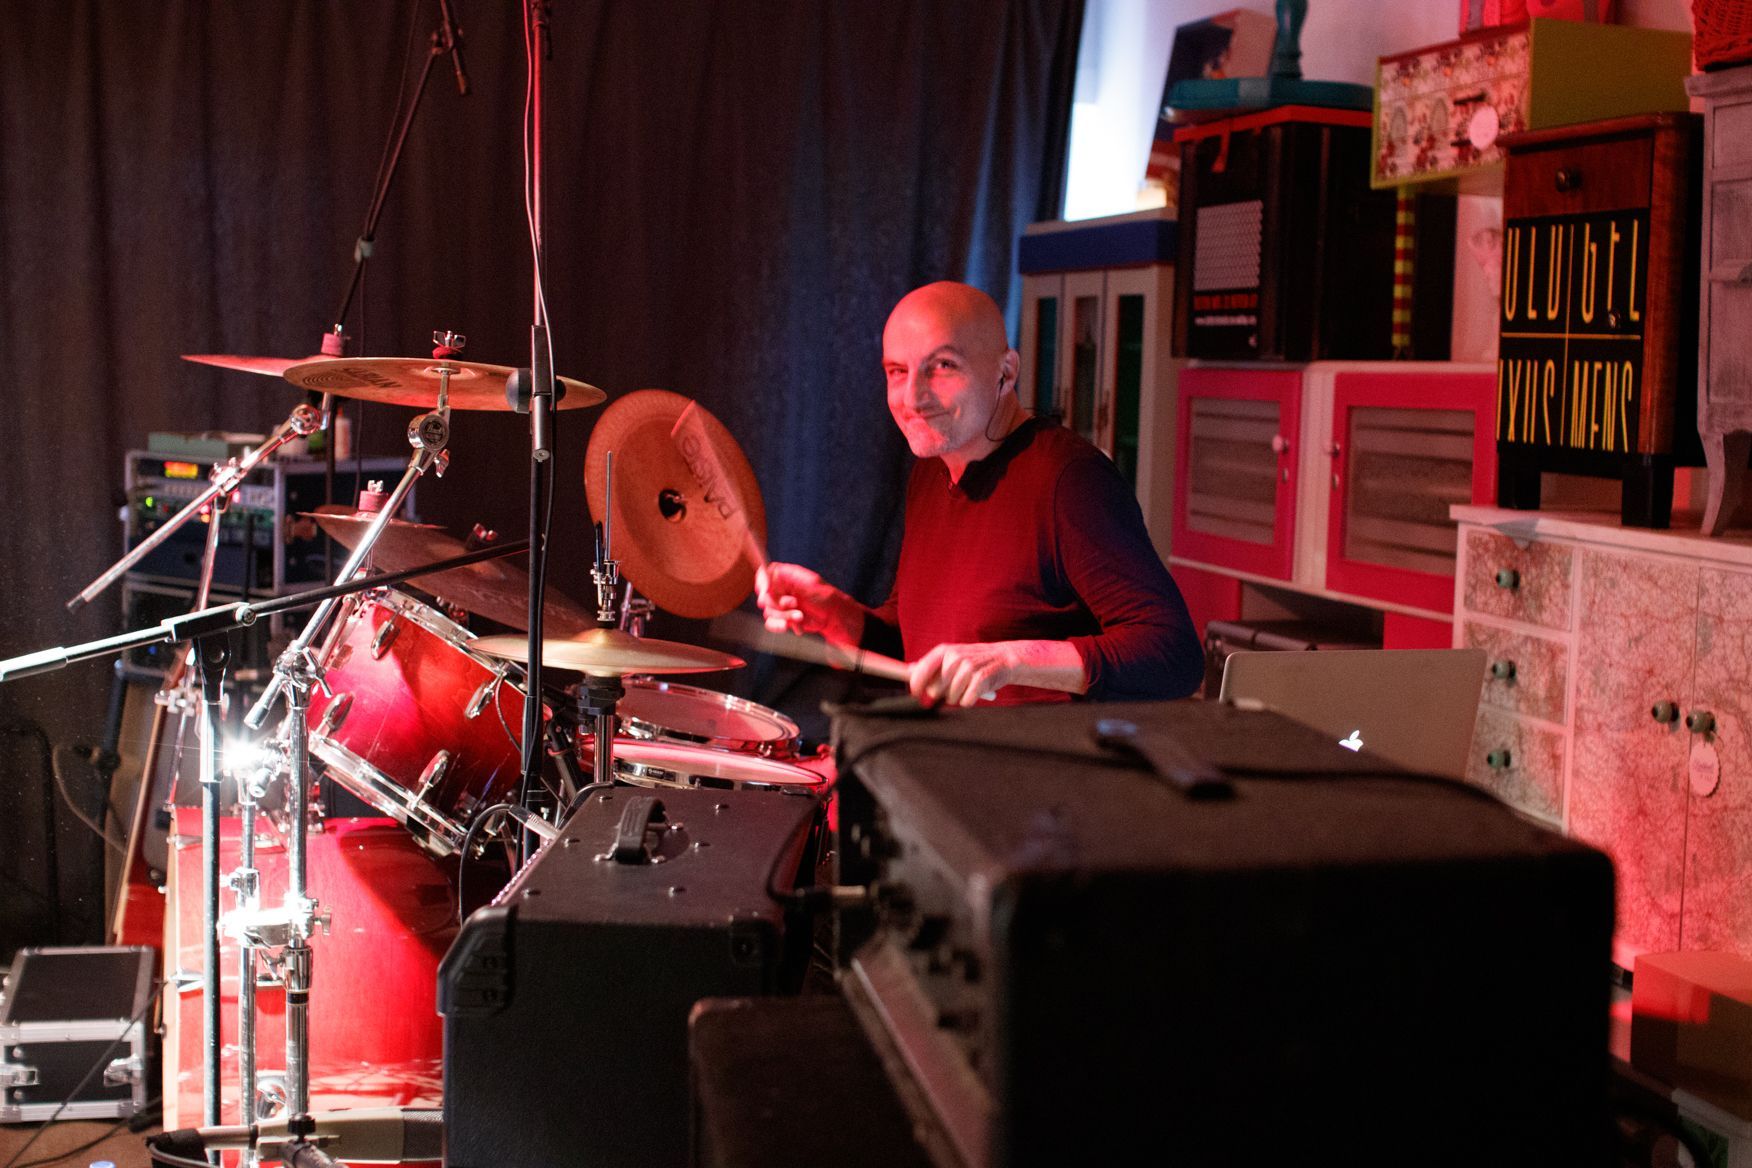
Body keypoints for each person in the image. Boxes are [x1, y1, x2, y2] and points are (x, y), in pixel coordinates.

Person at [756, 280, 1203, 707]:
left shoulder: (1069, 478)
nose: (913, 397)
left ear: (1006, 372)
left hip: (1039, 774)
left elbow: (1174, 656)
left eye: (943, 366)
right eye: (897, 371)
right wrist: (843, 617)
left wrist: (1010, 659)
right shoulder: (931, 472)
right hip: (950, 764)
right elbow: (923, 646)